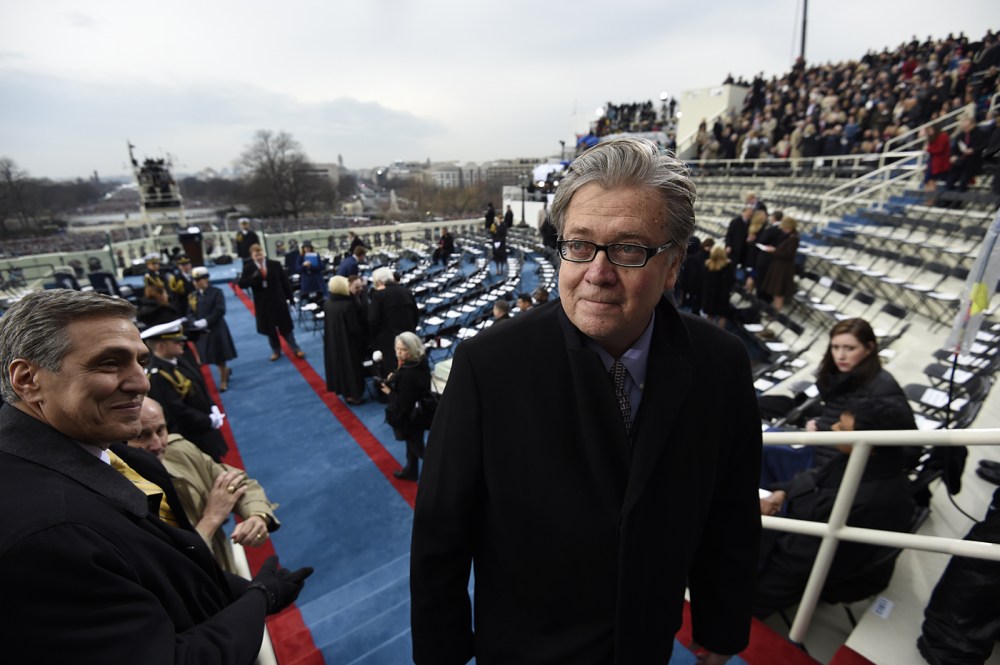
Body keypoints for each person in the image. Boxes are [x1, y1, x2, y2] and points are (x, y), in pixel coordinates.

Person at [411, 137, 761, 664]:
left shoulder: (721, 364)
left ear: (672, 265)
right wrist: (443, 654)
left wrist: (721, 626)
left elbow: (730, 513)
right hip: (524, 651)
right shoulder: (488, 366)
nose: (597, 272)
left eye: (627, 249)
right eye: (579, 245)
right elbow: (442, 529)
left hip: (646, 644)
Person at [0, 289, 311, 664]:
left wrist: (249, 591)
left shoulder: (102, 449)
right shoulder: (47, 530)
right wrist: (259, 599)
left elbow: (163, 571)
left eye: (140, 362)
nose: (141, 383)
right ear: (27, 378)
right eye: (109, 363)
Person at [754, 403, 917, 619]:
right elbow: (815, 476)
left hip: (807, 567)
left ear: (872, 444)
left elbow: (799, 564)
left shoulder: (873, 500)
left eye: (842, 428)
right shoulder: (866, 458)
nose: (832, 428)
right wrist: (781, 493)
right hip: (801, 538)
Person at [123, 398, 279, 573]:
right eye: (140, 436)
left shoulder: (180, 450)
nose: (157, 445)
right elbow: (168, 570)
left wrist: (257, 516)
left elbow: (239, 483)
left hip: (225, 568)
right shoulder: (120, 496)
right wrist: (211, 519)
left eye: (161, 430)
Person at [143, 320, 229, 462]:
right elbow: (177, 412)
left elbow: (200, 385)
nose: (182, 343)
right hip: (191, 437)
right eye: (176, 341)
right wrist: (208, 421)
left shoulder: (178, 360)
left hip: (204, 429)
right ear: (161, 346)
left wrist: (211, 406)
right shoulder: (157, 376)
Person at [238, 244, 305, 361]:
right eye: (256, 255)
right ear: (252, 256)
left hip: (278, 301)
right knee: (270, 329)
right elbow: (242, 284)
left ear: (263, 253)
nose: (259, 257)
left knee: (287, 328)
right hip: (263, 304)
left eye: (260, 253)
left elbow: (285, 282)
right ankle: (276, 351)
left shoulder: (275, 264)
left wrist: (290, 298)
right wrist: (253, 278)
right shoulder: (248, 268)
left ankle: (295, 349)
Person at [380, 331, 431, 481]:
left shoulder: (408, 373)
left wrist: (389, 391)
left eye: (403, 350)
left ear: (412, 349)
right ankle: (411, 471)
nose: (399, 353)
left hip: (411, 417)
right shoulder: (419, 361)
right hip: (420, 412)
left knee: (419, 449)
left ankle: (444, 475)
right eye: (397, 349)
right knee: (412, 446)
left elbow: (402, 404)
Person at [188, 266, 238, 392]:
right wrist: (194, 322)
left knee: (219, 356)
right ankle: (225, 371)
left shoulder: (216, 292)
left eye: (199, 279)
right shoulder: (193, 296)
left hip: (216, 329)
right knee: (209, 356)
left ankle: (223, 381)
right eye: (195, 280)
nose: (197, 282)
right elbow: (189, 312)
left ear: (206, 279)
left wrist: (206, 321)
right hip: (203, 332)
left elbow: (220, 310)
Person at [323, 275, 367, 405]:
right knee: (351, 368)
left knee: (340, 368)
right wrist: (364, 339)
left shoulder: (328, 303)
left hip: (333, 342)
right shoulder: (347, 305)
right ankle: (355, 395)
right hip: (348, 343)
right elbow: (354, 328)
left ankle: (347, 394)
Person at [368, 266, 419, 367]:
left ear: (378, 281)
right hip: (409, 336)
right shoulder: (406, 291)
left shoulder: (378, 296)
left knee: (393, 370)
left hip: (389, 342)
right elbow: (416, 315)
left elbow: (372, 321)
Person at [758, 216, 800, 313]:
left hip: (784, 268)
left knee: (778, 292)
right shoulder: (788, 237)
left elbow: (788, 254)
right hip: (779, 266)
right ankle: (775, 312)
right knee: (775, 291)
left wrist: (774, 250)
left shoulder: (793, 238)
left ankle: (776, 313)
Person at [702, 244, 735, 328]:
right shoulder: (727, 266)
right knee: (723, 316)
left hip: (710, 295)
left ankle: (707, 332)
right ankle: (720, 334)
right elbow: (729, 282)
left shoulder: (708, 264)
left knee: (709, 315)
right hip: (722, 296)